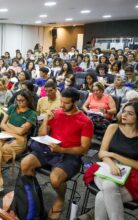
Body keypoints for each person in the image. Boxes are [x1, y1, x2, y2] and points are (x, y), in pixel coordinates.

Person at [20, 88, 94, 220]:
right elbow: (42, 134)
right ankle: (33, 195)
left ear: (75, 102)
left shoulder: (86, 121)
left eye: (66, 103)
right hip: (49, 149)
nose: (61, 105)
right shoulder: (57, 113)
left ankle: (60, 198)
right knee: (25, 164)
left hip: (69, 155)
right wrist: (46, 119)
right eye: (61, 101)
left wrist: (62, 150)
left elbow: (84, 149)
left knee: (55, 179)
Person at [80, 102, 138, 220]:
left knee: (103, 195)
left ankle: (93, 214)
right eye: (124, 111)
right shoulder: (113, 127)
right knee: (109, 184)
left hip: (132, 174)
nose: (124, 115)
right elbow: (102, 153)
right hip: (107, 167)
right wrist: (112, 164)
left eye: (130, 113)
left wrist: (113, 154)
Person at [0, 90, 37, 198]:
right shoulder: (12, 107)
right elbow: (2, 124)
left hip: (19, 140)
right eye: (18, 100)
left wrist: (9, 125)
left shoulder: (32, 113)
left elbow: (21, 132)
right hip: (4, 135)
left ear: (28, 100)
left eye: (22, 101)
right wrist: (14, 128)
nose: (19, 102)